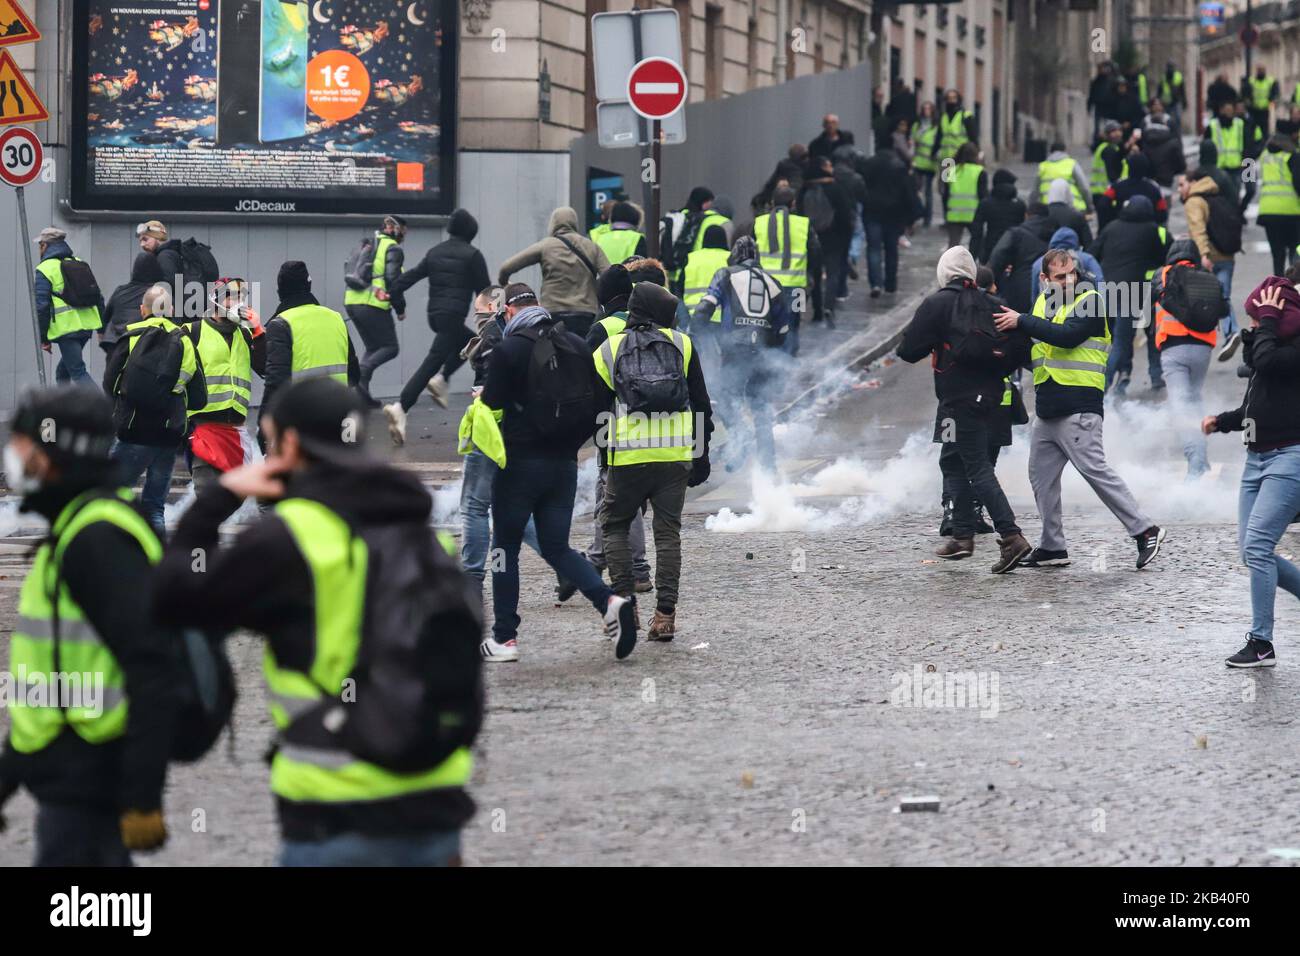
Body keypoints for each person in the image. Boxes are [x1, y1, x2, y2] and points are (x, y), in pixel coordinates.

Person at [153, 377, 482, 865]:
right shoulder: (425, 536)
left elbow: (174, 599)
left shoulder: (290, 539)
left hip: (335, 815)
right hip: (435, 810)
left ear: (287, 445)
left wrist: (216, 502)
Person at [0, 386, 177, 865]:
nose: (12, 457)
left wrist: (142, 796)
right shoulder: (75, 528)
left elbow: (153, 667)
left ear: (52, 455)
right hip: (68, 782)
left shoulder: (96, 538)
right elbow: (52, 677)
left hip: (92, 786)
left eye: (19, 445)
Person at [478, 284, 637, 662]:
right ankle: (609, 600)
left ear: (509, 312)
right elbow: (601, 401)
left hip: (518, 465)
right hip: (563, 465)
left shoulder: (509, 349)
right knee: (556, 546)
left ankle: (505, 639)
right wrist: (570, 444)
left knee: (504, 549)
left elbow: (491, 404)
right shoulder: (577, 345)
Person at [994, 248, 1166, 570]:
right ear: (1044, 279)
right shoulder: (1044, 301)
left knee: (1094, 471)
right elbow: (1040, 352)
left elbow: (1068, 337)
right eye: (1060, 276)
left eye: (1071, 272)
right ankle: (1052, 546)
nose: (1069, 279)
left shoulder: (1090, 299)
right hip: (1048, 407)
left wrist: (1022, 321)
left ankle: (1145, 530)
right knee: (1040, 478)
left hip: (1079, 405)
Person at [898, 246, 1033, 571]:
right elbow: (1020, 350)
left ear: (944, 274)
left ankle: (1012, 536)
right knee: (953, 460)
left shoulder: (938, 303)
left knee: (976, 467)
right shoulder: (993, 304)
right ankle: (962, 535)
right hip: (991, 397)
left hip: (957, 400)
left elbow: (907, 350)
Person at [593, 281, 713, 641]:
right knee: (667, 533)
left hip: (627, 456)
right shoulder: (682, 343)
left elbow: (599, 413)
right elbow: (702, 406)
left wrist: (606, 457)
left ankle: (626, 605)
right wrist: (701, 455)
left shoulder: (607, 350)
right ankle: (665, 615)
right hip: (675, 455)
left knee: (614, 526)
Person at [1204, 280, 1300, 668]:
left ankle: (1262, 644)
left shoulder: (1287, 347)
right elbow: (1254, 405)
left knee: (1258, 548)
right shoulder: (1271, 345)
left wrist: (1268, 322)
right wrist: (1221, 422)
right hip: (1256, 459)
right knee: (1251, 551)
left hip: (1290, 458)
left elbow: (1268, 362)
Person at [456, 285, 544, 600]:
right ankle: (562, 561)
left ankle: (473, 582)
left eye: (481, 312)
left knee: (475, 506)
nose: (480, 318)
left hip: (491, 429)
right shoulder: (545, 332)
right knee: (510, 507)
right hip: (528, 431)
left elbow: (491, 385)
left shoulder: (496, 337)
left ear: (501, 308)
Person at [103, 283, 208, 532]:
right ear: (170, 309)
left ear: (142, 310)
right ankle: (158, 561)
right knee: (154, 507)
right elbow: (198, 397)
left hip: (132, 431)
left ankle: (111, 554)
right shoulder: (184, 340)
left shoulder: (130, 337)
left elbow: (110, 383)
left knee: (110, 496)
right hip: (167, 436)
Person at [579, 267, 654, 596]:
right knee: (613, 494)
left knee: (616, 492)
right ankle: (598, 559)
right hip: (658, 423)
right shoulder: (652, 322)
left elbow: (584, 381)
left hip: (615, 424)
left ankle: (635, 569)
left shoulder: (602, 328)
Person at [691, 236, 793, 473]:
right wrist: (770, 350)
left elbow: (705, 309)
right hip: (763, 352)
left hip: (735, 350)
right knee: (760, 406)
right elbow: (784, 330)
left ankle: (741, 436)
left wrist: (700, 335)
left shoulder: (725, 274)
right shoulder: (773, 282)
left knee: (722, 394)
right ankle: (769, 465)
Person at [383, 209, 490, 432]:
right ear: (471, 232)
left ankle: (441, 380)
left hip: (436, 317)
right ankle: (401, 407)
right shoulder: (472, 255)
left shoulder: (435, 252)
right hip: (453, 316)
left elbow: (410, 276)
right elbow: (486, 292)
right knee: (434, 361)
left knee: (472, 343)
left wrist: (393, 294)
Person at [261, 261, 359, 441]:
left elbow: (276, 382)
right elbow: (354, 374)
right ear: (309, 285)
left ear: (280, 290)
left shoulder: (281, 323)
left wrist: (264, 426)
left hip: (303, 422)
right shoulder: (335, 318)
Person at [185, 277, 267, 492]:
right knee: (206, 489)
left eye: (242, 298)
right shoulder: (192, 331)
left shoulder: (245, 334)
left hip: (235, 428)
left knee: (235, 495)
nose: (239, 303)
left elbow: (267, 368)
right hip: (203, 424)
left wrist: (258, 332)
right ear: (216, 301)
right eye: (232, 298)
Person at [1089, 195, 1169, 394]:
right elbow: (1160, 258)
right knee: (1129, 339)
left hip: (1107, 290)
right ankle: (1105, 383)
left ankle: (1120, 376)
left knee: (1114, 339)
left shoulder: (1111, 227)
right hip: (1135, 291)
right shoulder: (1151, 229)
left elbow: (1093, 252)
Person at [1152, 240, 1218, 480]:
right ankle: (1202, 454)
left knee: (1181, 405)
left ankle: (1196, 461)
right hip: (1203, 349)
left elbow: (1147, 304)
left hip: (1174, 349)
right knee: (1195, 399)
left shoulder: (1165, 274)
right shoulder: (1206, 275)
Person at [499, 206, 609, 339]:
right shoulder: (592, 247)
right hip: (586, 313)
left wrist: (505, 285)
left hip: (554, 313)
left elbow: (506, 267)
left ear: (553, 224)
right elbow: (609, 276)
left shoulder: (546, 246)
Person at [342, 215, 407, 407]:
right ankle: (359, 374)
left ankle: (362, 395)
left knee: (372, 347)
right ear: (395, 229)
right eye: (403, 230)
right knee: (390, 347)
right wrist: (400, 308)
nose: (404, 235)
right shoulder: (392, 248)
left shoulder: (367, 244)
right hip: (373, 303)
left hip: (352, 302)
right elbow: (393, 280)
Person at [1180, 169, 1241, 361]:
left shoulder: (1193, 201)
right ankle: (1229, 332)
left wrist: (1203, 255)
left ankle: (1227, 333)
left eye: (1182, 184)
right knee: (1222, 295)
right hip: (1227, 255)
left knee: (1209, 297)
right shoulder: (1215, 194)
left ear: (1193, 182)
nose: (1179, 190)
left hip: (1210, 258)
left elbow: (1198, 230)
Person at [34, 227, 103, 387]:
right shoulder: (79, 263)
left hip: (67, 329)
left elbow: (42, 306)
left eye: (40, 245)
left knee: (78, 372)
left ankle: (103, 410)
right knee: (62, 373)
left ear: (45, 245)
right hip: (86, 327)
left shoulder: (45, 269)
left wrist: (44, 338)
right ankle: (64, 409)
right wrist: (102, 328)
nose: (39, 249)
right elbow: (98, 297)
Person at [754, 185, 819, 349]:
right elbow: (815, 252)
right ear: (793, 204)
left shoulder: (759, 222)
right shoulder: (803, 224)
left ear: (772, 202)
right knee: (793, 325)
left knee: (765, 323)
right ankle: (787, 365)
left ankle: (767, 362)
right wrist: (811, 275)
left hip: (764, 285)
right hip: (797, 286)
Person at [860, 134, 916, 294]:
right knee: (892, 249)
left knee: (874, 248)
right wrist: (910, 218)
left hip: (872, 211)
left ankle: (875, 283)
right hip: (894, 213)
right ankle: (890, 284)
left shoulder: (868, 164)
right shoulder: (898, 165)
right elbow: (907, 192)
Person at [800, 154, 854, 316]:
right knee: (832, 273)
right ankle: (828, 306)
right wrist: (846, 237)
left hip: (810, 237)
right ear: (823, 168)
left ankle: (813, 308)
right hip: (833, 237)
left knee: (812, 273)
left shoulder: (805, 189)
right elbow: (846, 215)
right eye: (829, 165)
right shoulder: (835, 188)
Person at [986, 202, 1057, 313]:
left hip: (1019, 289)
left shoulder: (1016, 233)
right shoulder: (1055, 235)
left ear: (1026, 215)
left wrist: (992, 283)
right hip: (1049, 287)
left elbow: (997, 258)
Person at [661, 187, 731, 293]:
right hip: (692, 274)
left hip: (670, 272)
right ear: (703, 203)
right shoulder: (712, 220)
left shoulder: (679, 216)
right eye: (709, 202)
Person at [100, 251, 164, 356]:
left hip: (117, 343)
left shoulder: (120, 291)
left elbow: (106, 316)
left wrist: (102, 334)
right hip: (146, 345)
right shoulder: (159, 293)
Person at [1256, 133, 1300, 276]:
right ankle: (1294, 285)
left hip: (1268, 211)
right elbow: (1298, 184)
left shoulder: (1264, 156)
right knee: (1294, 250)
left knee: (1277, 253)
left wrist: (1248, 184)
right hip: (1291, 211)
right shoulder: (1292, 156)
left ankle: (1279, 285)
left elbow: (1248, 162)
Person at [1030, 227, 1103, 301]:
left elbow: (1034, 295)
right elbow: (1100, 283)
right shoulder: (1087, 258)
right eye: (1060, 277)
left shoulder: (1038, 263)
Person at [1097, 152, 1168, 229]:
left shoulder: (1117, 186)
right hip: (1146, 230)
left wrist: (1115, 216)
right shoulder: (1153, 188)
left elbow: (1103, 204)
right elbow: (1162, 213)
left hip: (1121, 228)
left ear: (1129, 167)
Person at [970, 169, 1025, 264]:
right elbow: (1025, 229)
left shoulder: (985, 204)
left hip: (991, 250)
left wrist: (972, 258)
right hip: (1014, 250)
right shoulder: (1020, 204)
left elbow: (976, 233)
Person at [941, 142, 987, 250]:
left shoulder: (950, 169)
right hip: (974, 214)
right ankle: (972, 264)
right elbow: (983, 195)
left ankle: (950, 266)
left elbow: (945, 194)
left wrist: (946, 212)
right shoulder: (980, 171)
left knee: (953, 247)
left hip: (954, 214)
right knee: (977, 243)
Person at [1204, 101, 1247, 204]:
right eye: (1226, 110)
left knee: (1234, 198)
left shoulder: (1240, 124)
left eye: (1231, 110)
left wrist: (1246, 164)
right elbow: (1206, 146)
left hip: (1235, 168)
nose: (1229, 112)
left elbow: (1246, 145)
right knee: (1219, 198)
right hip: (1218, 169)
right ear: (1221, 110)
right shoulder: (1213, 125)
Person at [1037, 141, 1092, 216]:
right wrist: (1089, 207)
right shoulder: (1072, 164)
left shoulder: (1043, 166)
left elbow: (1034, 192)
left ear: (1051, 152)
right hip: (1073, 207)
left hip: (1048, 209)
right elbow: (1084, 188)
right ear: (1065, 151)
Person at [1089, 121, 1130, 215]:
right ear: (1107, 134)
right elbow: (1113, 174)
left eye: (1119, 130)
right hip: (1106, 194)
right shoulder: (1109, 150)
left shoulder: (1110, 148)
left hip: (1102, 193)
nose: (1118, 134)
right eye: (1114, 131)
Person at [912, 101, 939, 227]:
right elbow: (912, 142)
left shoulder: (936, 126)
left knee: (928, 192)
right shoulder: (917, 125)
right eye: (924, 109)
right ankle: (918, 213)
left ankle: (927, 218)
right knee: (917, 190)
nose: (926, 111)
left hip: (931, 164)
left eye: (929, 109)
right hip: (918, 162)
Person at [1140, 119, 1187, 192]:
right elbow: (1181, 164)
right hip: (1166, 180)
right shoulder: (1173, 143)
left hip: (1149, 181)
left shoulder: (1144, 142)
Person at [135, 219, 185, 286]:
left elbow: (169, 285)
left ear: (158, 238)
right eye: (140, 241)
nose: (142, 244)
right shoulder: (168, 254)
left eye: (145, 239)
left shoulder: (165, 256)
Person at [1044, 180, 1094, 247]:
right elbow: (1088, 244)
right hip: (1071, 255)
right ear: (1067, 193)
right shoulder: (1077, 216)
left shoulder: (1042, 214)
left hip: (1046, 256)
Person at [937, 89, 977, 165]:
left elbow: (973, 137)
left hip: (961, 158)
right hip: (946, 159)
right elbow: (939, 137)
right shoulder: (943, 117)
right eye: (949, 98)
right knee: (946, 177)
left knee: (959, 177)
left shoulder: (966, 116)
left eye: (954, 98)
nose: (951, 100)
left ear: (958, 100)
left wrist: (976, 152)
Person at [1244, 64, 1279, 137]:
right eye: (1259, 70)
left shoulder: (1270, 81)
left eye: (1262, 70)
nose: (1261, 71)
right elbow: (1246, 93)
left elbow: (1275, 93)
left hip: (1265, 110)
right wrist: (1247, 102)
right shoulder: (1251, 81)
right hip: (1253, 110)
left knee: (1265, 131)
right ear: (1256, 71)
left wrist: (1273, 102)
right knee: (1251, 130)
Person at [1087, 62, 1117, 140]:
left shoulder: (1112, 81)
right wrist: (1089, 107)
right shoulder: (1096, 82)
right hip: (1099, 106)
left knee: (1109, 125)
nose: (1102, 71)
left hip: (1109, 107)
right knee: (1097, 127)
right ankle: (1097, 141)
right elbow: (1091, 95)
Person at [1158, 62, 1186, 134]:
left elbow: (1182, 90)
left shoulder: (1178, 76)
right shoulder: (1163, 77)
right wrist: (1159, 101)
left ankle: (1177, 133)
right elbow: (1159, 90)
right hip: (1166, 102)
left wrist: (1184, 101)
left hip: (1176, 101)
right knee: (1166, 118)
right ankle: (1167, 132)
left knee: (1177, 118)